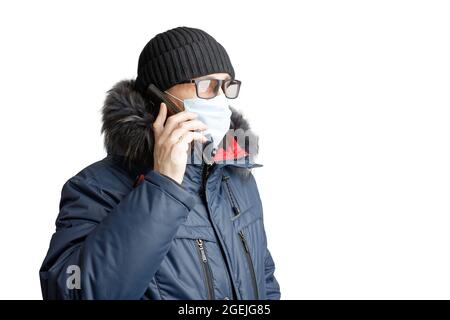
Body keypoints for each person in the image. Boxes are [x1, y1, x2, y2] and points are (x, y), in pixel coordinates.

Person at [39, 26, 280, 300]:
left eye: (227, 86)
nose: (221, 98)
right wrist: (162, 186)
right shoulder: (95, 187)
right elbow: (72, 292)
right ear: (158, 97)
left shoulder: (237, 175)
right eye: (207, 85)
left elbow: (265, 278)